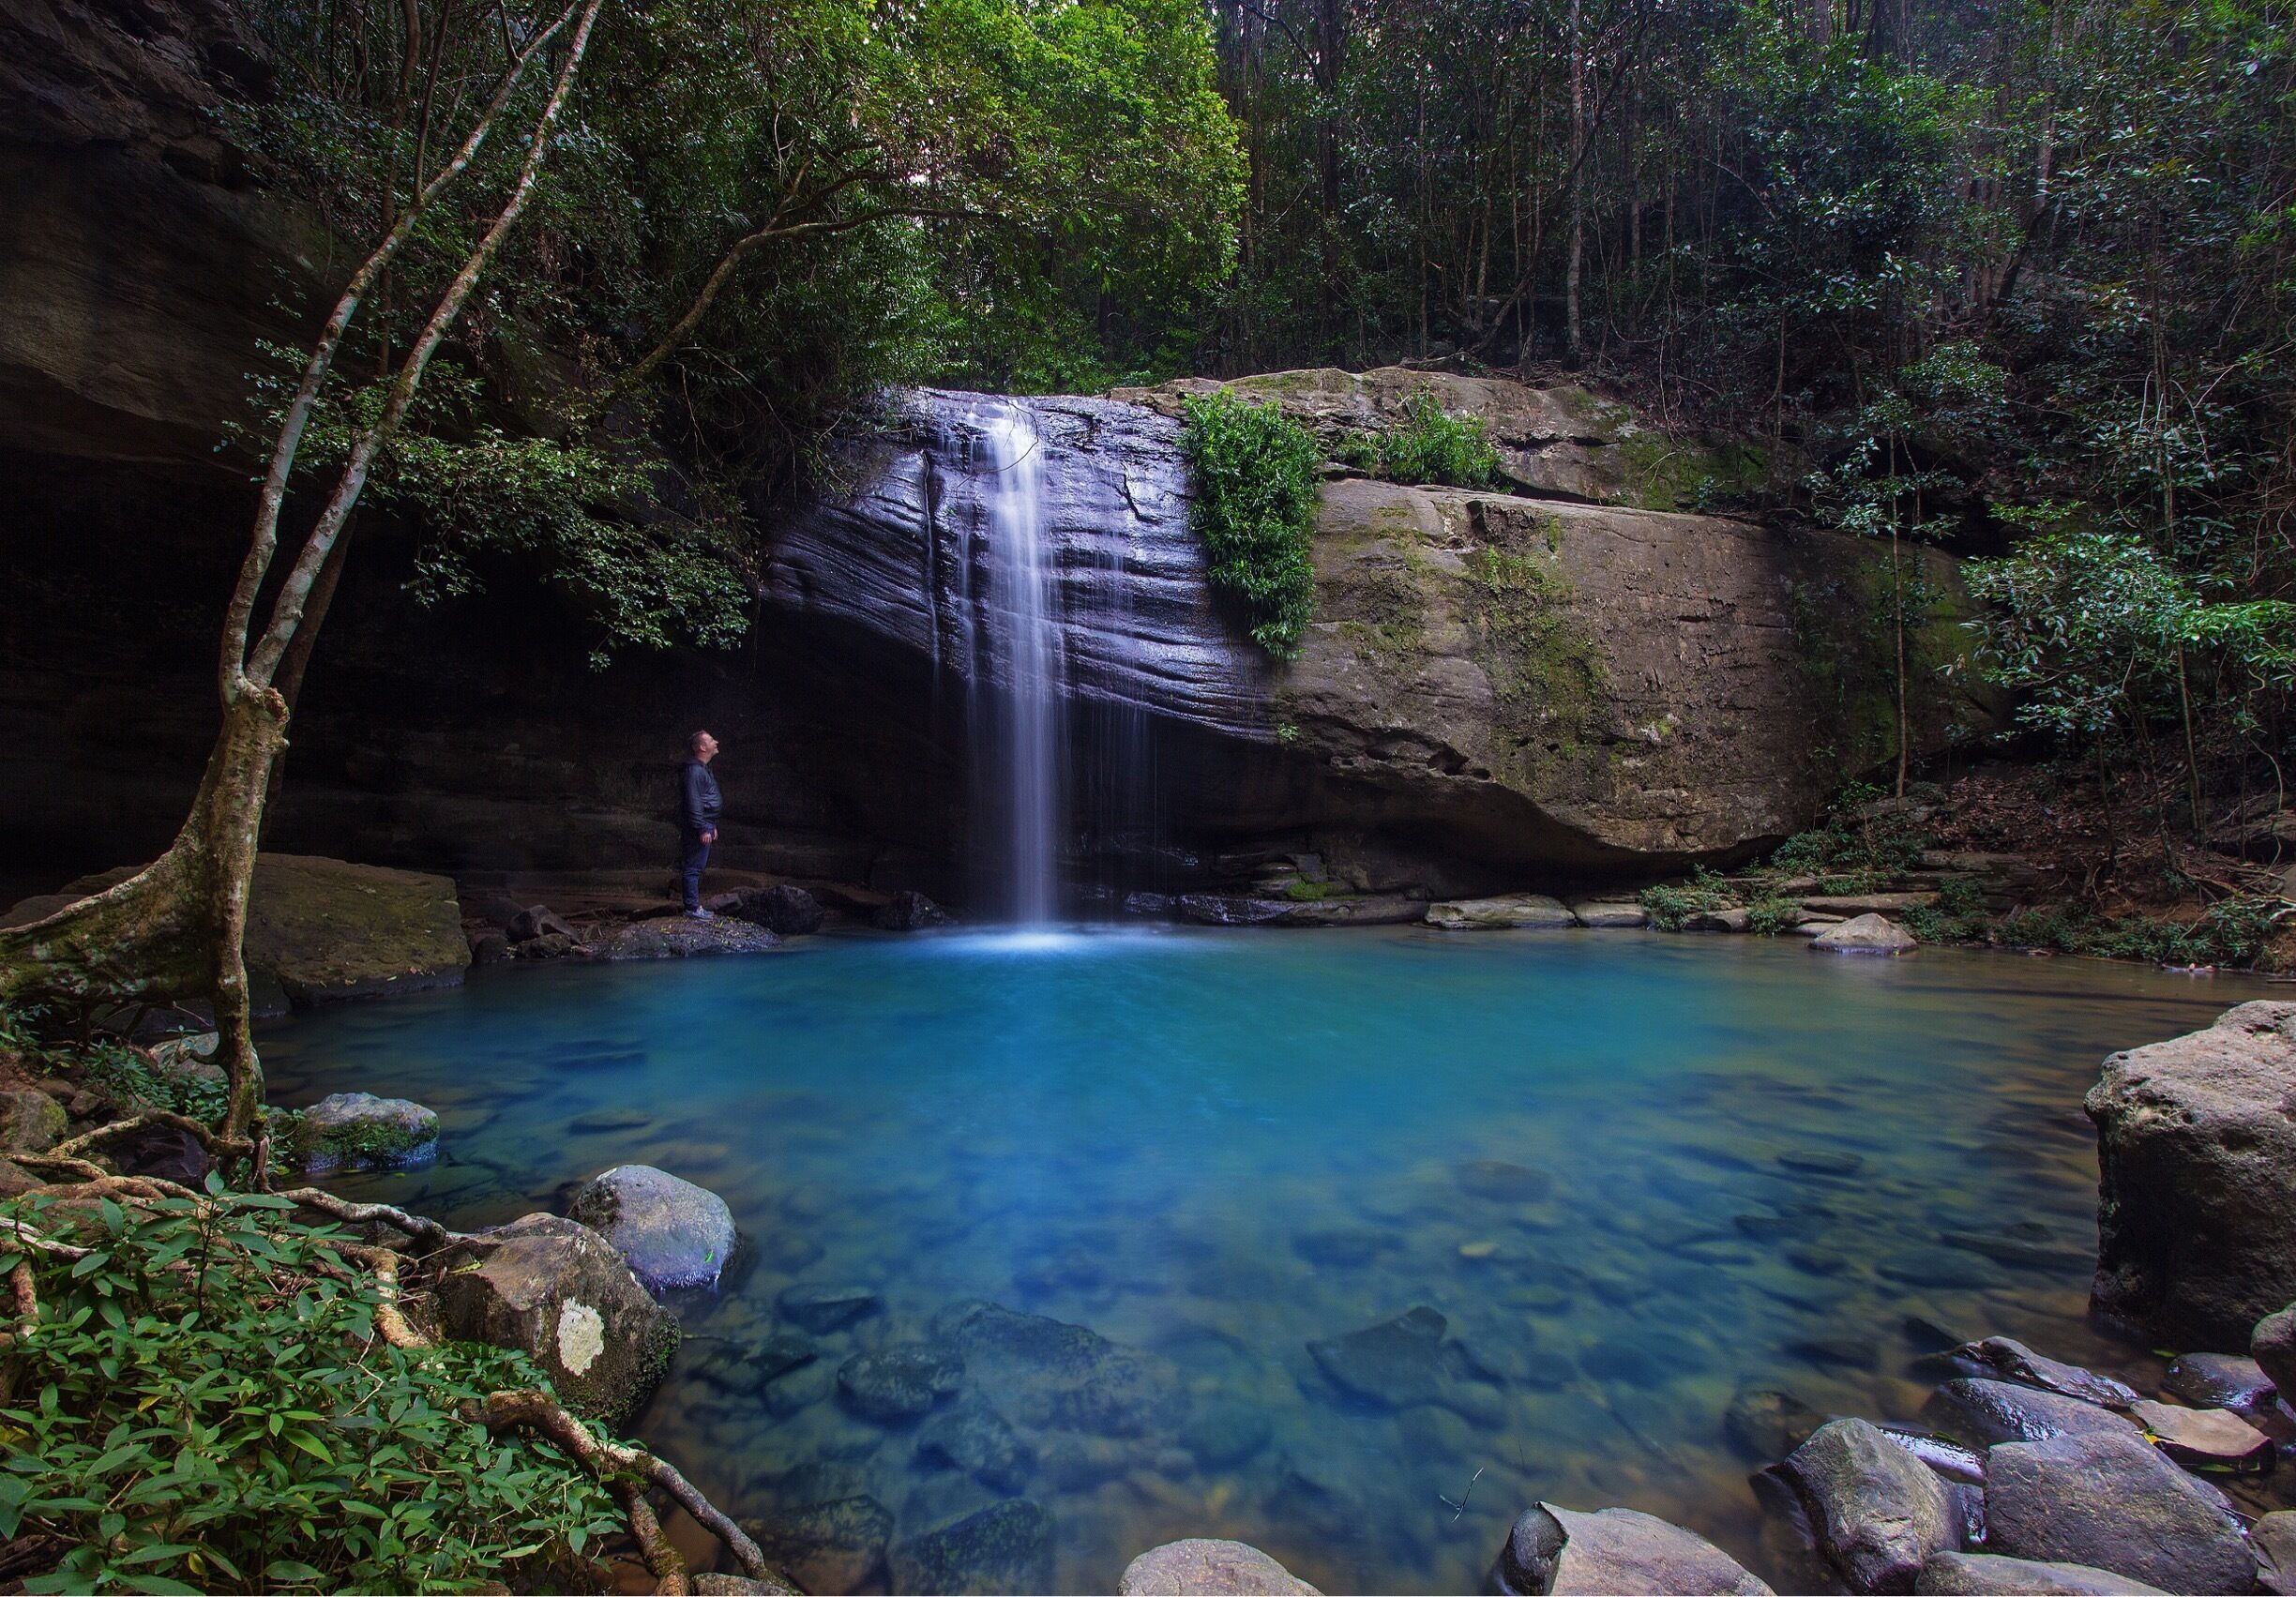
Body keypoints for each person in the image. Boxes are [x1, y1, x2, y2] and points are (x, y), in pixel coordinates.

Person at [678, 730, 722, 916]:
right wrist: (703, 827)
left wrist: (711, 824)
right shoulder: (694, 771)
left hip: (705, 823)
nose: (716, 742)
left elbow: (704, 801)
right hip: (698, 826)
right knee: (693, 867)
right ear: (702, 747)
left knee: (697, 867)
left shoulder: (702, 769)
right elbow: (694, 802)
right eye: (712, 740)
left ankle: (694, 907)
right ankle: (692, 908)